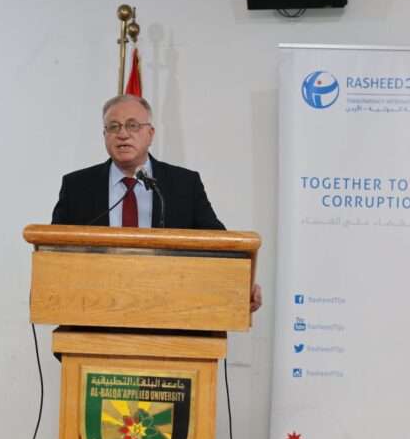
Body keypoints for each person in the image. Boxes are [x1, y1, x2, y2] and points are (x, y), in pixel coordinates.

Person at [51, 94, 262, 311]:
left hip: (169, 308)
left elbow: (218, 244)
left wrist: (242, 283)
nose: (123, 134)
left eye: (132, 125)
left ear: (150, 134)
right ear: (104, 135)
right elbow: (53, 250)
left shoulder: (184, 184)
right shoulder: (77, 186)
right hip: (93, 307)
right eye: (113, 127)